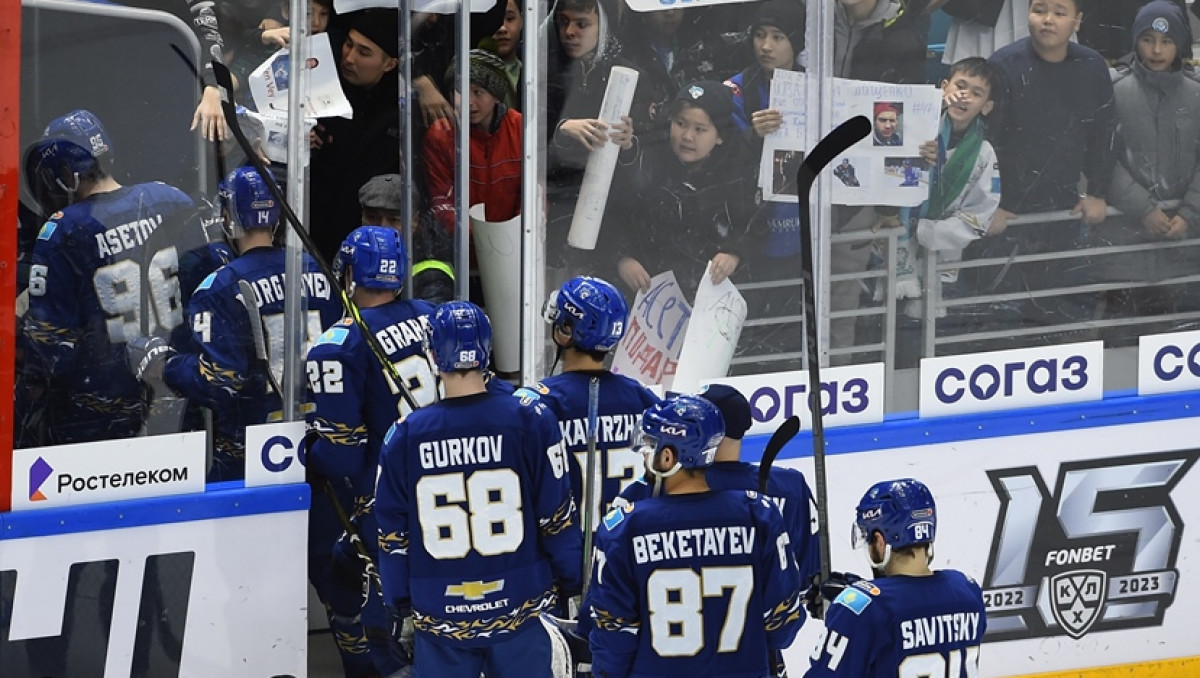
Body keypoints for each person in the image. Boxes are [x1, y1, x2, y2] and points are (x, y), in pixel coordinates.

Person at [375, 301, 582, 678]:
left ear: (433, 353)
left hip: (439, 611)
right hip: (521, 602)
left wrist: (399, 604)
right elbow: (556, 517)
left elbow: (392, 536)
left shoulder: (403, 435)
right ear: (486, 350)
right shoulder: (530, 419)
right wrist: (571, 579)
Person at [585, 395, 805, 678]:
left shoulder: (624, 527)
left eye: (649, 447)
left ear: (668, 457)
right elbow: (783, 627)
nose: (643, 455)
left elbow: (614, 640)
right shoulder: (759, 514)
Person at [20, 109, 199, 444]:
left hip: (101, 409)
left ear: (65, 172)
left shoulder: (64, 229)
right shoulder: (170, 199)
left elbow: (49, 345)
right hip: (177, 390)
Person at [153, 166, 342, 481]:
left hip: (251, 447)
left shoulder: (219, 287)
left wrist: (165, 365)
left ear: (228, 217)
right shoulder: (317, 270)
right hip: (317, 438)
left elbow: (218, 383)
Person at [305, 225, 436, 677]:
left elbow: (341, 454)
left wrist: (309, 454)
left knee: (384, 636)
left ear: (348, 275)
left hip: (388, 509)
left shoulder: (337, 345)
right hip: (448, 494)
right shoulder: (435, 316)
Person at [982, 0, 1116, 331]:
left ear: (1078, 21)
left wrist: (1098, 192)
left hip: (1062, 213)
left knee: (1055, 319)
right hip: (1004, 216)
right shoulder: (1002, 65)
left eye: (1059, 12)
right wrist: (989, 204)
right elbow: (984, 143)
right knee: (995, 322)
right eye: (1039, 10)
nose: (1048, 20)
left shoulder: (1092, 65)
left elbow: (1104, 134)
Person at [804, 478, 986, 677]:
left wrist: (847, 610)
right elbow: (915, 607)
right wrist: (858, 597)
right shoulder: (968, 591)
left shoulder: (861, 612)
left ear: (880, 541)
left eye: (867, 537)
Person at [1092, 1, 1200, 335]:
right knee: (1120, 337)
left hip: (1184, 246)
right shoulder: (1113, 91)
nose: (1156, 50)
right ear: (1135, 41)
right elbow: (1101, 158)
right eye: (1148, 39)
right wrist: (1143, 208)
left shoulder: (1196, 95)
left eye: (1166, 42)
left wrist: (1189, 213)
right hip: (1124, 246)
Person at [608, 80, 756, 301]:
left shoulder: (735, 173)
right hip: (645, 295)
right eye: (680, 123)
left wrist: (734, 254)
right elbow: (615, 216)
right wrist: (622, 260)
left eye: (700, 129)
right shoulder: (647, 161)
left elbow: (753, 226)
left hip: (709, 300)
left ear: (719, 136)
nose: (687, 136)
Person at [536, 275, 662, 526]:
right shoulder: (643, 398)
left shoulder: (540, 404)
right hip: (626, 554)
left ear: (564, 332)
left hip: (567, 552)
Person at [310, 8, 402, 262]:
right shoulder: (317, 88)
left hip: (369, 245)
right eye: (349, 44)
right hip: (313, 233)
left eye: (364, 52)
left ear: (390, 63)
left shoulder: (402, 112)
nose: (349, 57)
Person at [911, 57, 1001, 315]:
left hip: (943, 254)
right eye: (961, 86)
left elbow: (981, 213)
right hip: (899, 249)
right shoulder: (916, 132)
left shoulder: (984, 154)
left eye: (977, 93)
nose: (965, 97)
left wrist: (925, 230)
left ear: (987, 106)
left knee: (933, 328)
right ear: (944, 88)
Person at [423, 47, 522, 265]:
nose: (468, 102)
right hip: (459, 257)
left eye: (478, 92)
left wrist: (513, 236)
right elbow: (441, 201)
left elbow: (532, 196)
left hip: (514, 254)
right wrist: (482, 239)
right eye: (460, 91)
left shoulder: (520, 129)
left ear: (496, 96)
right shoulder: (441, 135)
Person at [493, 0, 525, 111]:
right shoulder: (466, 69)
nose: (502, 28)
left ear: (522, 20)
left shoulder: (534, 68)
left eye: (510, 19)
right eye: (492, 20)